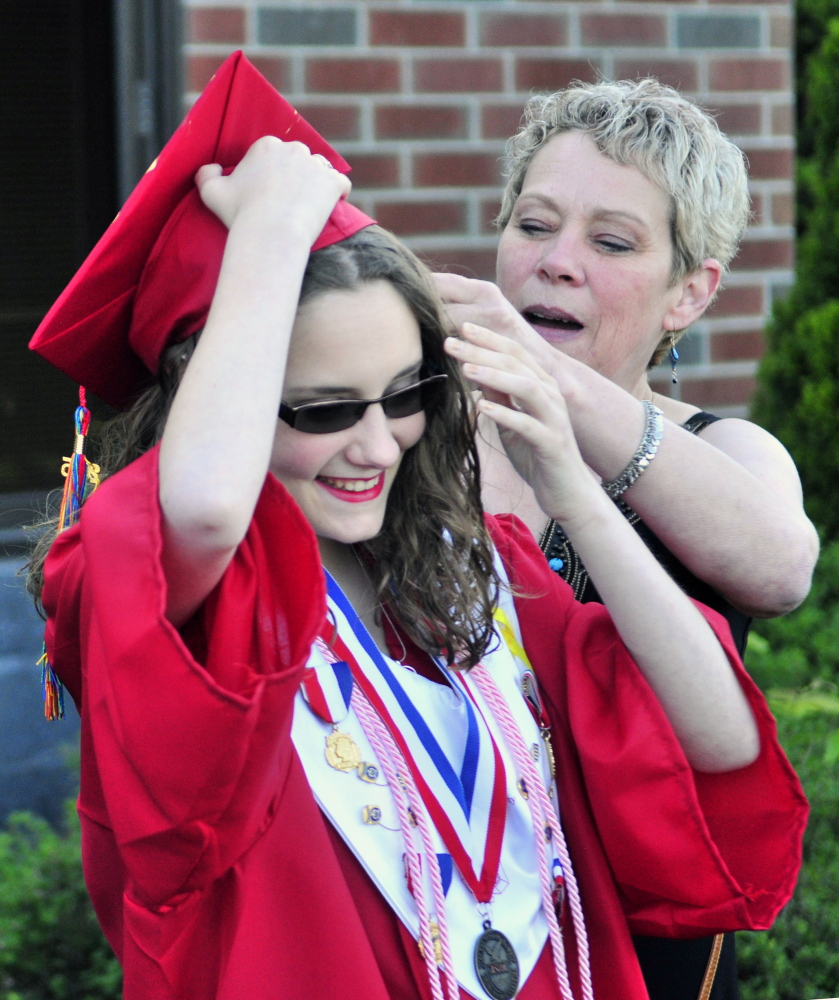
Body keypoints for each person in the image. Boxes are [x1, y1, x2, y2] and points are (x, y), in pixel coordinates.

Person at [28, 56, 806, 1000]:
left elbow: (721, 737)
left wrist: (570, 481)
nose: (373, 445)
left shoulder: (465, 577)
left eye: (405, 396)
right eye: (318, 408)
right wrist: (268, 241)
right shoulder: (162, 585)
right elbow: (200, 507)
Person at [433, 79, 819, 1000]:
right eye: (532, 227)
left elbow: (780, 568)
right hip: (440, 919)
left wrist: (549, 390)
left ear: (688, 294)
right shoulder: (408, 437)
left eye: (609, 242)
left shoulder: (726, 451)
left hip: (645, 949)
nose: (555, 262)